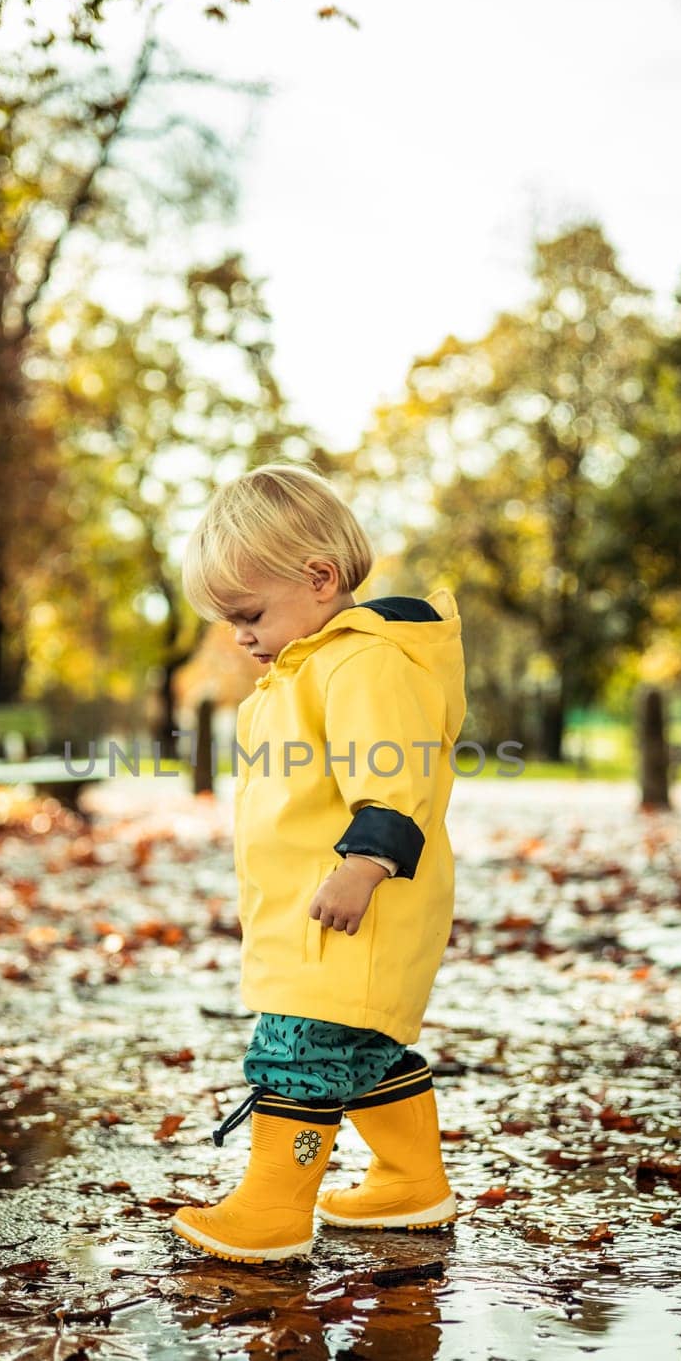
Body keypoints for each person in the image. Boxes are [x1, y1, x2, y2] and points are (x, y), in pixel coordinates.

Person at [172, 462, 467, 1264]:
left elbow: (395, 780)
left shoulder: (363, 663)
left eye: (248, 613)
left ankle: (273, 1210)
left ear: (319, 577)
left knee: (300, 1050)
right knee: (360, 1051)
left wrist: (364, 865)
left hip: (357, 906)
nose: (239, 635)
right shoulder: (305, 669)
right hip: (318, 911)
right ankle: (412, 1181)